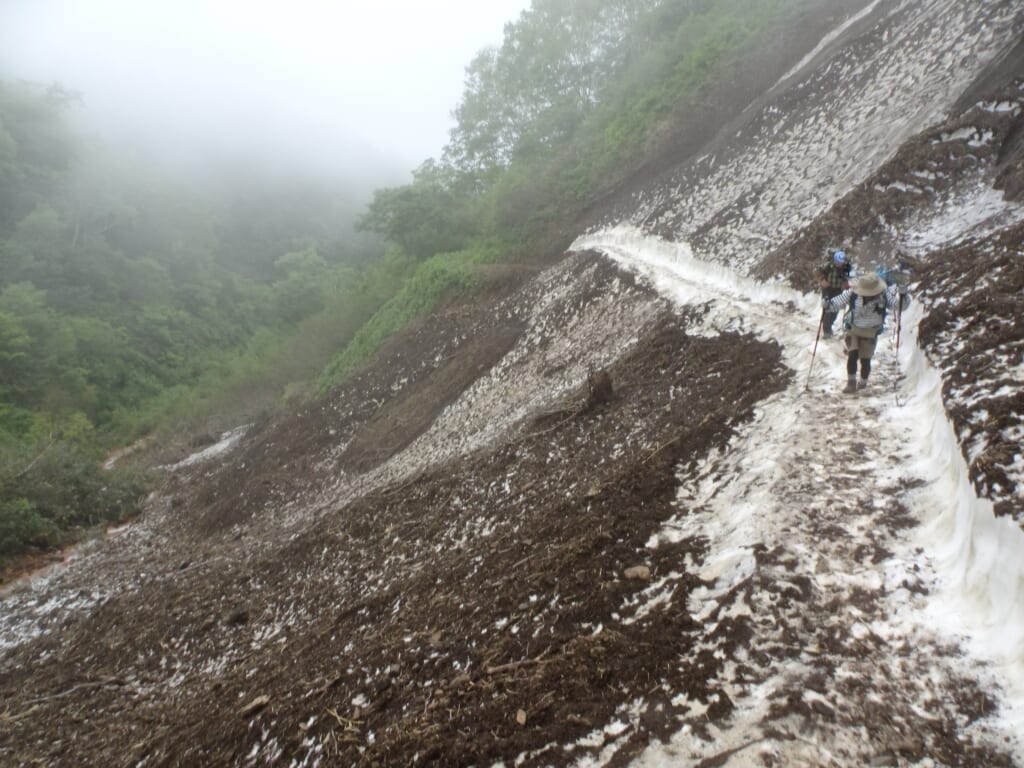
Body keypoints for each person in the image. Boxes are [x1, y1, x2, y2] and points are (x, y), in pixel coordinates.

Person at [823, 272, 909, 393]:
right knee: (852, 355)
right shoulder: (853, 293)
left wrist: (904, 295)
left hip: (871, 332)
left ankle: (863, 383)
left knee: (865, 360)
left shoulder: (884, 295)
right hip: (853, 328)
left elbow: (899, 306)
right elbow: (839, 302)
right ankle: (851, 383)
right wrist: (828, 304)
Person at [815, 249, 853, 337]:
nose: (838, 264)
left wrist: (846, 284)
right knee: (828, 308)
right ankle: (826, 330)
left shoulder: (846, 267)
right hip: (828, 289)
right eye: (837, 262)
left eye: (840, 263)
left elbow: (848, 277)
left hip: (838, 289)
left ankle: (830, 326)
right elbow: (816, 271)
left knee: (835, 309)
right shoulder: (829, 266)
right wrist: (822, 281)